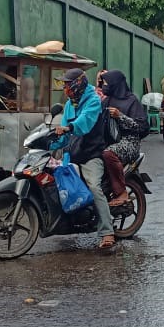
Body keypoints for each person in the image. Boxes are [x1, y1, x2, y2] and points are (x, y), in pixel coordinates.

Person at [53, 68, 116, 249]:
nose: (65, 88)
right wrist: (50, 142)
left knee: (94, 187)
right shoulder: (68, 105)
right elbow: (63, 133)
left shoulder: (93, 100)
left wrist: (69, 128)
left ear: (78, 84)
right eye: (64, 85)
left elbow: (84, 122)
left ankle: (107, 232)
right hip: (72, 153)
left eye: (68, 84)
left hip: (91, 154)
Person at [99, 70, 149, 206]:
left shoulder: (132, 101)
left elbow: (142, 127)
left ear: (115, 84)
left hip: (129, 141)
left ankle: (121, 192)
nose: (104, 86)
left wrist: (120, 116)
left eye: (106, 83)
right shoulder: (106, 100)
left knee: (108, 153)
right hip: (110, 140)